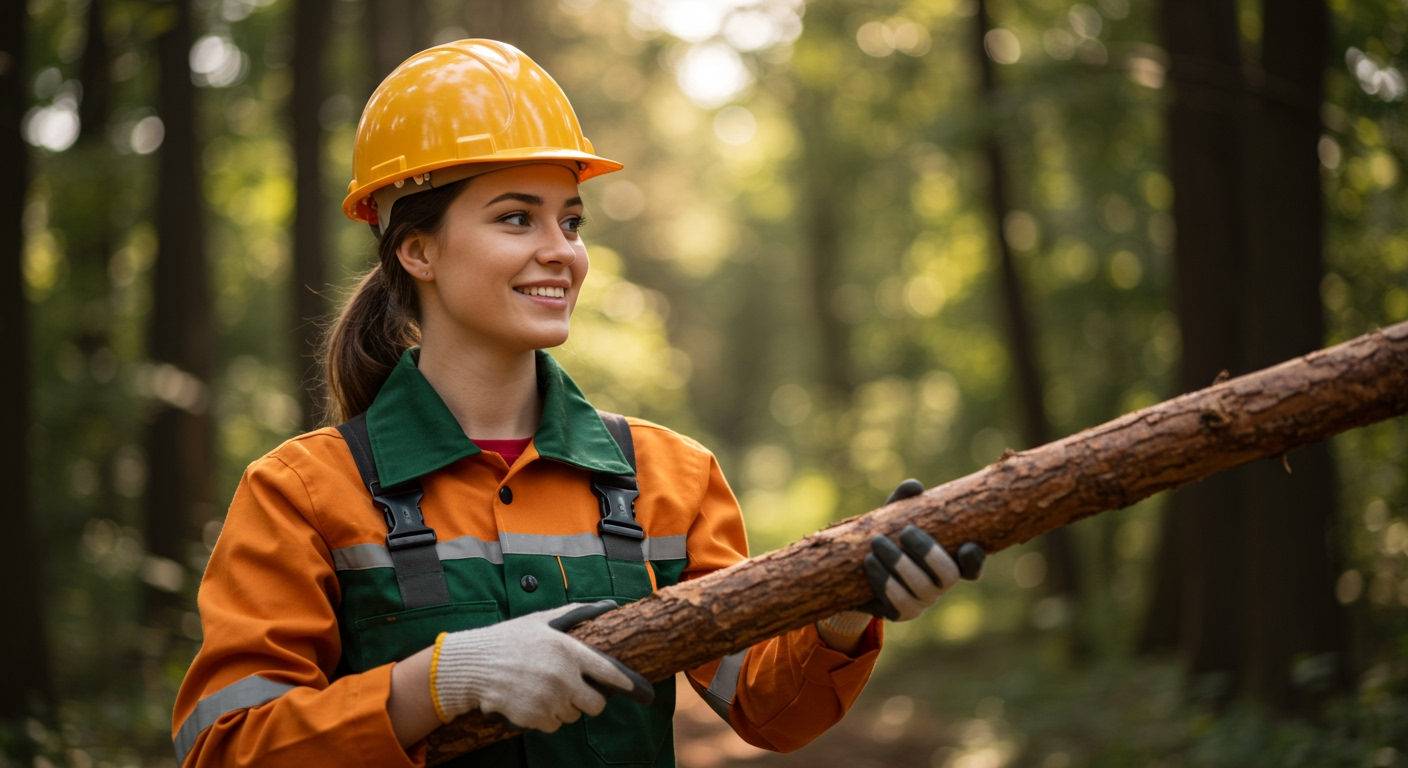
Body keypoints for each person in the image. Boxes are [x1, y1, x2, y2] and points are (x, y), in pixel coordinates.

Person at [171, 39, 984, 768]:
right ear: (416, 249)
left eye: (570, 220)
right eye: (515, 218)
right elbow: (226, 748)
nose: (559, 251)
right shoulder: (304, 494)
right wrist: (440, 681)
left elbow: (767, 709)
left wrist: (844, 612)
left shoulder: (670, 478)